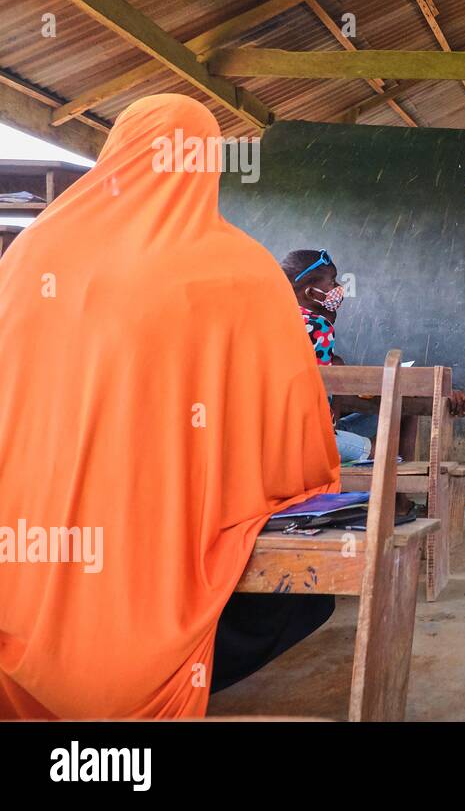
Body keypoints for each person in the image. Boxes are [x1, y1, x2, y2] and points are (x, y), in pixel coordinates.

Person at [0, 94, 340, 718]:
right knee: (305, 588)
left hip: (23, 547)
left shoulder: (30, 255)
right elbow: (295, 432)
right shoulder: (240, 268)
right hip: (163, 541)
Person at [279, 248, 465, 464]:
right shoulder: (319, 326)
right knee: (391, 461)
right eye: (333, 282)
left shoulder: (279, 320)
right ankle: (398, 493)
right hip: (309, 437)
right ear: (312, 294)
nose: (339, 288)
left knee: (399, 405)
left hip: (280, 434)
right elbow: (322, 409)